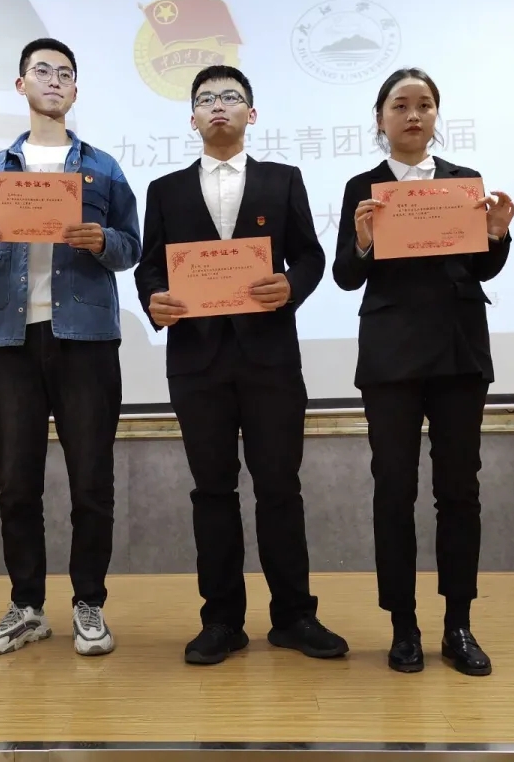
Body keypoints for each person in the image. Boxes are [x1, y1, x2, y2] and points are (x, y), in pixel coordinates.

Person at [134, 65, 349, 665]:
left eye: (231, 97)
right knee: (212, 491)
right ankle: (222, 620)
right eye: (206, 99)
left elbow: (311, 255)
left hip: (270, 358)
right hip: (196, 361)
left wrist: (292, 285)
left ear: (251, 114)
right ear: (193, 118)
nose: (218, 105)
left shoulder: (283, 179)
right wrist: (155, 300)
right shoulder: (165, 190)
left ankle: (294, 616)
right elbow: (150, 267)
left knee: (280, 488)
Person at [332, 67, 514, 677]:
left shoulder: (463, 181)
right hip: (391, 356)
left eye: (425, 105)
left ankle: (458, 623)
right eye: (401, 105)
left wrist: (495, 235)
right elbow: (346, 276)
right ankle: (403, 624)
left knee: (459, 490)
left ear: (436, 115)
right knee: (394, 490)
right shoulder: (363, 187)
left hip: (459, 352)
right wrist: (363, 240)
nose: (414, 115)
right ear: (380, 117)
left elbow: (480, 269)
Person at [0, 38, 141, 658]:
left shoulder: (103, 168)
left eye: (65, 73)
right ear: (22, 85)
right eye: (43, 70)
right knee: (16, 481)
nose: (55, 80)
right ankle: (27, 606)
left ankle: (89, 602)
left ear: (75, 89)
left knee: (91, 481)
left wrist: (102, 241)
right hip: (13, 339)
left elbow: (132, 247)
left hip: (85, 338)